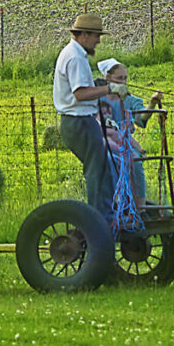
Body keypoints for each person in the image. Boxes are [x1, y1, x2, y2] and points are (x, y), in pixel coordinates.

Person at [52, 14, 120, 212]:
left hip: (78, 122)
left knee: (100, 168)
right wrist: (110, 89)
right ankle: (101, 219)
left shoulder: (74, 53)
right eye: (96, 36)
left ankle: (102, 215)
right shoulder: (75, 57)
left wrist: (100, 86)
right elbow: (80, 94)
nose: (98, 41)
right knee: (97, 171)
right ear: (83, 35)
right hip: (79, 122)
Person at [97, 58, 165, 213]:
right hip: (103, 142)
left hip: (124, 143)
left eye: (126, 78)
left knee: (134, 161)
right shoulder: (98, 99)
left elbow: (141, 119)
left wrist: (152, 103)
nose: (124, 82)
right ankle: (110, 203)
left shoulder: (131, 100)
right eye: (120, 78)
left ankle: (140, 208)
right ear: (108, 79)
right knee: (108, 161)